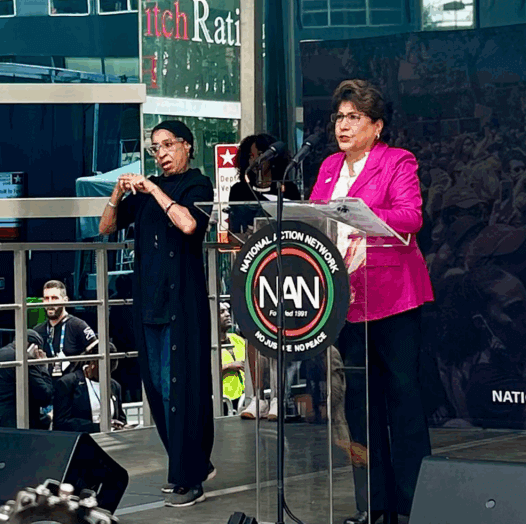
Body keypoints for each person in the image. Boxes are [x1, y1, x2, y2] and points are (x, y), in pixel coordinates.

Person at [309, 80, 434, 524]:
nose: (343, 125)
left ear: (376, 126)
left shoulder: (397, 161)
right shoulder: (327, 167)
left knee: (402, 401)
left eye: (354, 117)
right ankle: (372, 505)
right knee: (359, 409)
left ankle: (415, 502)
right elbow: (314, 218)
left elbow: (412, 216)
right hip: (346, 300)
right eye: (339, 117)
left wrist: (360, 212)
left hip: (395, 298)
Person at [98, 119, 215, 508]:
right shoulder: (148, 191)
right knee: (158, 390)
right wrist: (117, 192)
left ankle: (190, 475)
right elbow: (105, 226)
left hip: (182, 303)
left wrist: (152, 189)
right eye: (155, 148)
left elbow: (188, 224)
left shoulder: (198, 184)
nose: (161, 154)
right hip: (147, 305)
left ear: (187, 146)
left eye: (167, 145)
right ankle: (188, 464)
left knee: (182, 389)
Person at [228, 134, 299, 421]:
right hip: (253, 267)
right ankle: (256, 396)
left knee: (282, 331)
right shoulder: (238, 190)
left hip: (285, 267)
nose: (256, 161)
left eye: (261, 155)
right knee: (255, 335)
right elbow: (234, 228)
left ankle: (282, 395)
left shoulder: (288, 188)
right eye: (251, 156)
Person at [0, 329, 55, 429]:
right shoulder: (23, 361)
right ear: (34, 348)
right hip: (10, 425)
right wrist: (42, 366)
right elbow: (44, 396)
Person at [51, 341, 126, 433]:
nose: (107, 376)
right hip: (82, 440)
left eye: (110, 372)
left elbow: (121, 418)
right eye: (103, 371)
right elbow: (61, 422)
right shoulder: (68, 383)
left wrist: (120, 425)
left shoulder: (114, 386)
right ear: (93, 364)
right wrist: (98, 427)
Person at [34, 280, 96, 377]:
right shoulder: (38, 331)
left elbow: (97, 352)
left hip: (73, 387)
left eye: (54, 298)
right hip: (47, 385)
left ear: (65, 300)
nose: (50, 303)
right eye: (46, 298)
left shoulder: (78, 326)